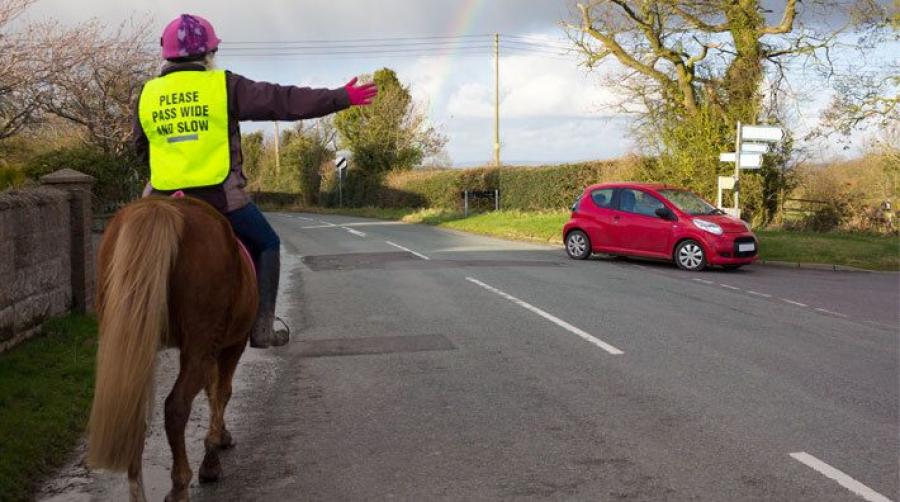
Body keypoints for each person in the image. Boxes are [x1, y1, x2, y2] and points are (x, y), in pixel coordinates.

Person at [134, 14, 378, 348]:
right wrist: (341, 97)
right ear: (208, 54)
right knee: (267, 244)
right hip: (218, 198)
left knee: (130, 252)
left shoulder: (148, 93)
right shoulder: (223, 85)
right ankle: (262, 328)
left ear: (167, 54)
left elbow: (139, 148)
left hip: (161, 198)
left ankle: (137, 326)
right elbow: (284, 101)